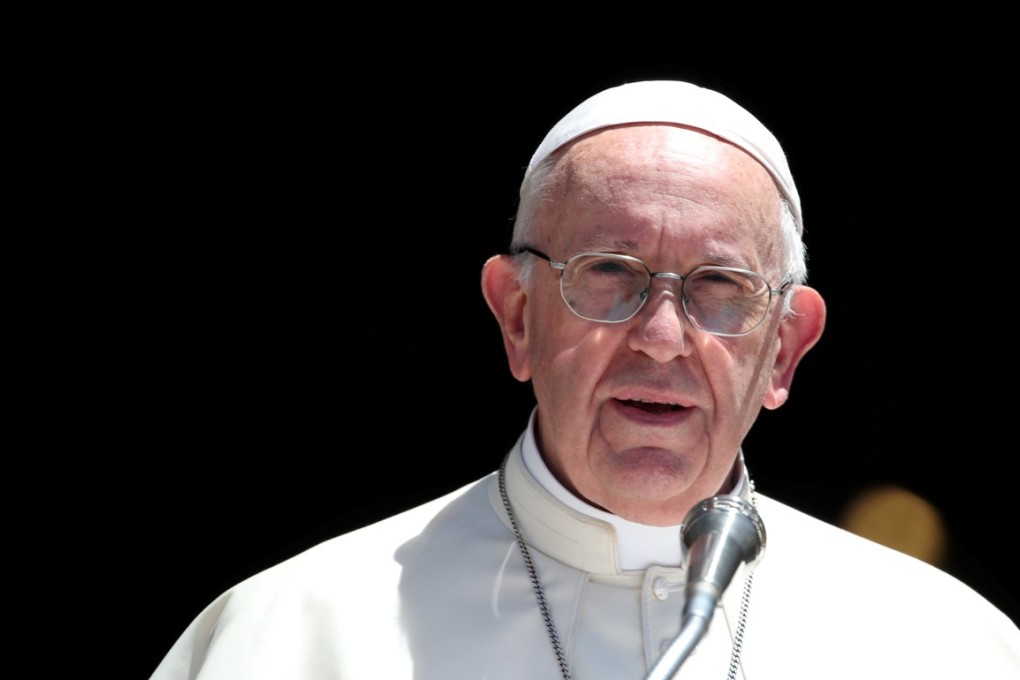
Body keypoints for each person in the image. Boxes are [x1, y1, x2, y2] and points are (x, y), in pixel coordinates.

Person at [150, 80, 1020, 679]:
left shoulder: (946, 645)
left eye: (721, 288)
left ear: (784, 349)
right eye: (610, 273)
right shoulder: (294, 635)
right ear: (519, 315)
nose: (663, 338)